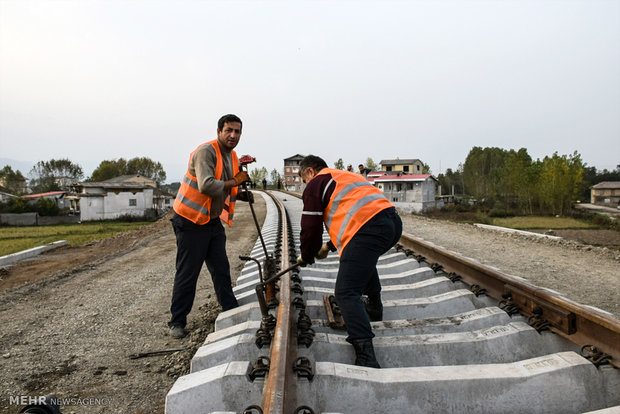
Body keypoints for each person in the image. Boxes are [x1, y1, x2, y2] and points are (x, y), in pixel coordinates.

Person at [297, 155, 402, 368]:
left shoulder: (316, 183)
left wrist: (307, 255)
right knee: (363, 259)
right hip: (391, 223)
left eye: (303, 179)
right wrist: (328, 247)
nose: (304, 185)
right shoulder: (344, 176)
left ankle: (366, 356)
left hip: (368, 228)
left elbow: (310, 227)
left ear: (309, 171)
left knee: (346, 292)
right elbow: (354, 212)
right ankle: (374, 307)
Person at [168, 114, 252, 339]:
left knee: (221, 267)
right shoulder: (206, 152)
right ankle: (177, 321)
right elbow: (206, 185)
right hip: (190, 220)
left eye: (237, 131)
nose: (233, 135)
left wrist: (242, 194)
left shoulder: (232, 156)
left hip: (211, 221)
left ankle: (229, 307)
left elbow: (226, 185)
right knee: (188, 273)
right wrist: (236, 181)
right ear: (219, 131)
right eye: (229, 130)